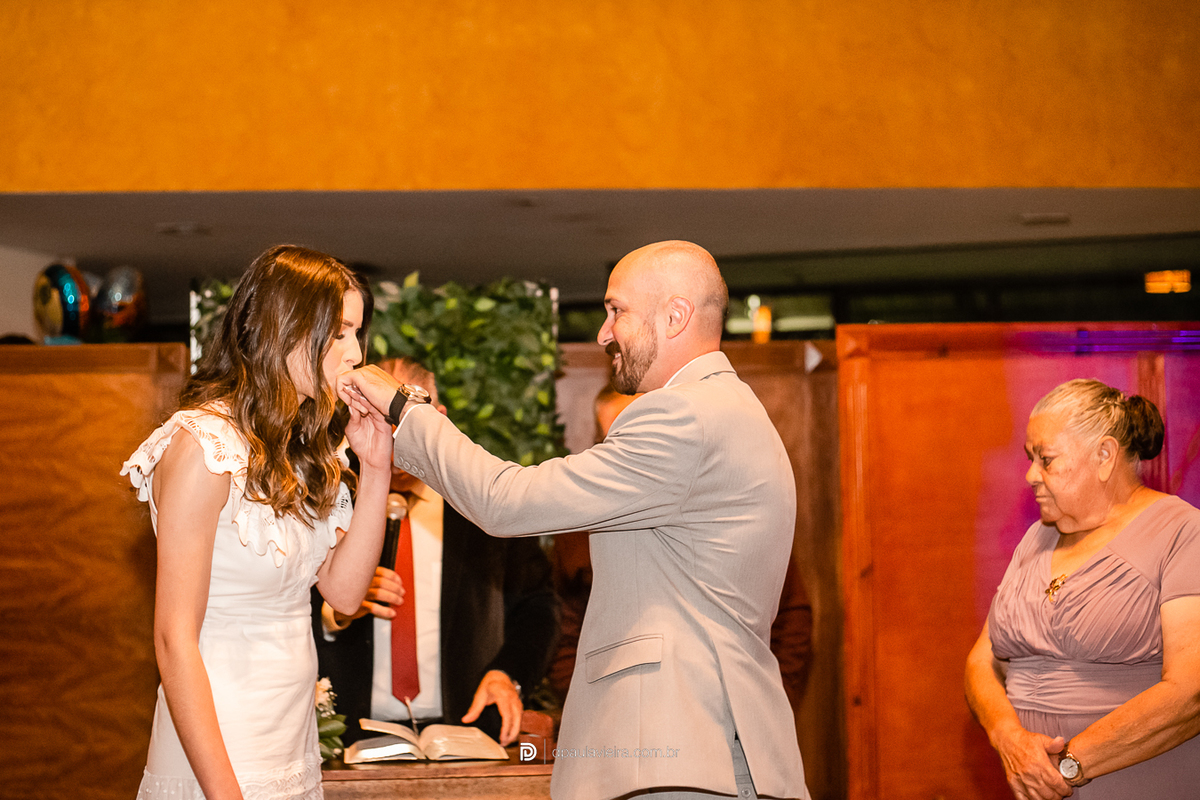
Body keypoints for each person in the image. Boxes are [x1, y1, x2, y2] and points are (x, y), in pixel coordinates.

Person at [339, 240, 809, 800]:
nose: (604, 334)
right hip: (703, 745)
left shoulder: (682, 414)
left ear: (675, 315)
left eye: (617, 311)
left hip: (676, 751)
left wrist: (403, 408)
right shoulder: (735, 408)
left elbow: (505, 501)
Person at [121, 245, 393, 800]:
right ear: (285, 330)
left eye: (357, 333)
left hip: (291, 745)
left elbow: (343, 593)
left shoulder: (305, 449)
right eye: (339, 333)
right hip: (217, 752)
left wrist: (377, 468)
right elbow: (174, 638)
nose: (355, 352)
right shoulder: (204, 447)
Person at [965, 379, 1200, 799]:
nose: (1031, 475)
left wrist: (1069, 766)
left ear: (1104, 455)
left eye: (1046, 459)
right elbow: (981, 662)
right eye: (1030, 458)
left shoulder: (1182, 532)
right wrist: (1010, 741)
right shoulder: (1036, 538)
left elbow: (1190, 691)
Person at [311, 357, 560, 747]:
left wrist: (507, 675)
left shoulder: (484, 501)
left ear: (436, 419)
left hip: (466, 732)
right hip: (352, 736)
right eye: (377, 421)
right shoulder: (331, 495)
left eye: (400, 423)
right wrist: (336, 611)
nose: (391, 442)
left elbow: (538, 606)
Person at [549, 385, 814, 709]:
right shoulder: (580, 526)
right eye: (617, 441)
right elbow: (565, 629)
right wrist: (592, 708)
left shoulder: (726, 500)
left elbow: (790, 614)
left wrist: (768, 704)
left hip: (724, 710)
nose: (630, 454)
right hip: (616, 712)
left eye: (641, 438)